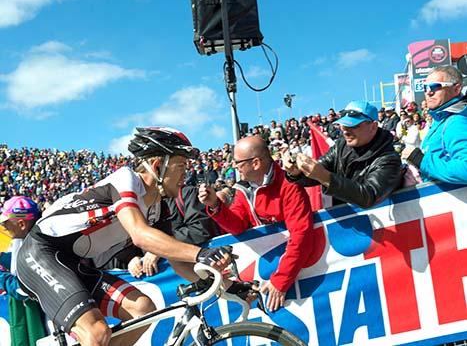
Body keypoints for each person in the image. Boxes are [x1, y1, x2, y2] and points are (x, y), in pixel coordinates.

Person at [15, 127, 233, 346]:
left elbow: (176, 260)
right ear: (158, 166)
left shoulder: (159, 208)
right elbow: (140, 235)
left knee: (143, 309)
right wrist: (203, 254)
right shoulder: (125, 179)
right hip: (40, 253)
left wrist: (227, 286)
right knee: (96, 333)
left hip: (72, 262)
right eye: (181, 166)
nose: (186, 174)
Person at [198, 136, 315, 312]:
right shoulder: (244, 187)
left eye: (238, 162)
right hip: (267, 276)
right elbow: (238, 226)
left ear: (256, 163)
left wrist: (281, 280)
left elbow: (302, 236)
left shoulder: (289, 185)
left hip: (294, 275)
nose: (233, 166)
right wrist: (215, 205)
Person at [284, 100, 402, 208]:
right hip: (348, 222)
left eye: (353, 125)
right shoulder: (341, 146)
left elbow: (368, 196)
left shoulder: (389, 159)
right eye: (344, 125)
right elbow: (318, 170)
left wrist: (325, 177)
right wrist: (296, 172)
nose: (345, 131)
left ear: (373, 127)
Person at [126, 184, 221, 278]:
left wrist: (159, 247)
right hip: (167, 281)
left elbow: (199, 229)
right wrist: (134, 258)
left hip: (203, 269)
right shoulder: (136, 207)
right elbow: (135, 239)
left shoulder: (186, 193)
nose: (183, 172)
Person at [404, 66, 467, 184]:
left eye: (436, 86)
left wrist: (420, 160)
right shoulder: (440, 119)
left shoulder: (456, 121)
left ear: (456, 89)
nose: (428, 92)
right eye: (425, 88)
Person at [0, 196, 47, 346]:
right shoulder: (25, 239)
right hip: (29, 313)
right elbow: (16, 261)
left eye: (6, 224)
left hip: (40, 319)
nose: (5, 228)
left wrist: (1, 277)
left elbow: (23, 289)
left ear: (21, 224)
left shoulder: (38, 248)